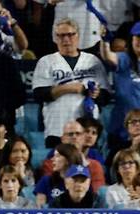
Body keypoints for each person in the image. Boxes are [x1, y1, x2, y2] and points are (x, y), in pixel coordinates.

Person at [32, 18, 109, 148]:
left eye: (70, 35)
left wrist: (97, 93)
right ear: (55, 38)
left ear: (78, 36)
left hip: (87, 132)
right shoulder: (46, 61)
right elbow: (39, 94)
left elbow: (106, 97)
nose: (66, 39)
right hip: (57, 129)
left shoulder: (92, 60)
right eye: (61, 35)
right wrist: (70, 88)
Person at [100, 21, 140, 145]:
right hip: (122, 131)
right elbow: (108, 57)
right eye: (138, 37)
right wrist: (105, 41)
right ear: (131, 40)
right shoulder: (124, 58)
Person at [33, 143, 83, 208]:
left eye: (57, 156)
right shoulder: (45, 181)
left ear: (68, 160)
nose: (52, 159)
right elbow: (40, 208)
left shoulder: (83, 182)